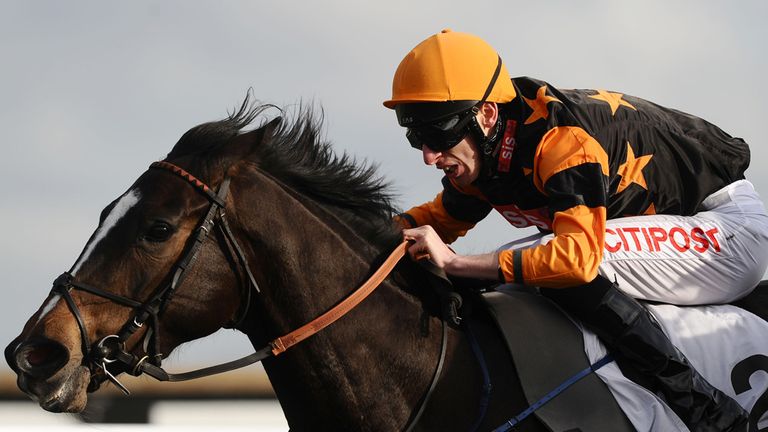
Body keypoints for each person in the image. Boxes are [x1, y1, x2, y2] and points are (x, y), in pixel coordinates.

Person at [385, 29, 768, 431]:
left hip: (726, 232)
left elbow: (575, 261)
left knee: (548, 259)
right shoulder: (488, 151)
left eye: (438, 133)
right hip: (682, 230)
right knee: (519, 265)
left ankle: (710, 414)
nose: (429, 156)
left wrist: (457, 263)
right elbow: (432, 221)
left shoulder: (560, 139)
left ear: (486, 114)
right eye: (416, 137)